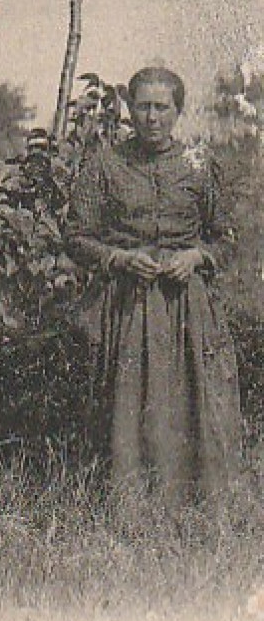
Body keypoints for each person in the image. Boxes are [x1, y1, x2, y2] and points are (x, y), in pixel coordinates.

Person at [67, 66, 241, 505]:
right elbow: (75, 236)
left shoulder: (198, 165)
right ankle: (130, 509)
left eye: (161, 107)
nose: (151, 117)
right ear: (128, 108)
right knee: (128, 406)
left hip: (187, 308)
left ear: (178, 112)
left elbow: (226, 235)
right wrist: (119, 258)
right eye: (142, 106)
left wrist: (196, 256)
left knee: (192, 401)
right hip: (127, 305)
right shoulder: (105, 164)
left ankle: (194, 508)